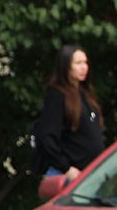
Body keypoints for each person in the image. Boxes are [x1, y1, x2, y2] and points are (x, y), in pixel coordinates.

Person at [37, 44, 105, 181]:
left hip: (90, 174)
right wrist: (66, 168)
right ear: (65, 66)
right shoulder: (57, 95)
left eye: (85, 62)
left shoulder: (86, 94)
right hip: (69, 177)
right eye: (78, 63)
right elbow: (47, 136)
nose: (84, 67)